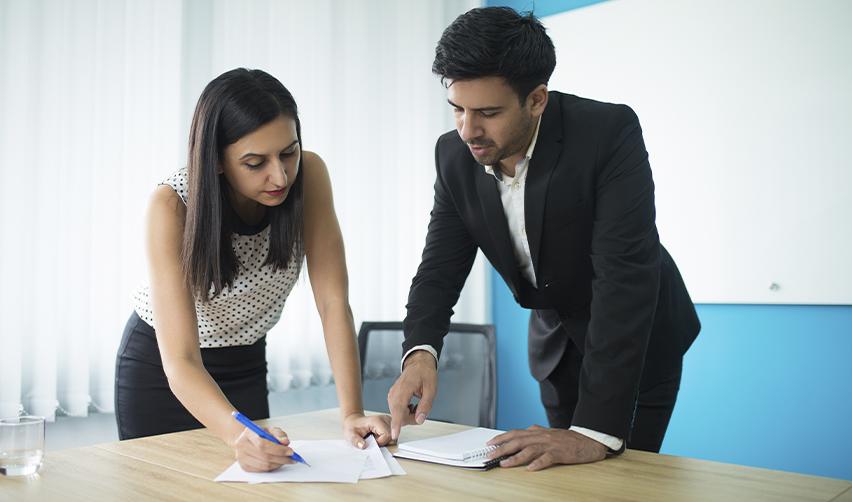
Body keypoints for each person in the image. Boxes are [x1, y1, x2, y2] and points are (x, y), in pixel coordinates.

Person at [388, 7, 700, 470]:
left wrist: (593, 432)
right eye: (458, 108)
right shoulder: (453, 154)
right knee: (559, 477)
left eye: (488, 113)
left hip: (636, 335)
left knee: (624, 475)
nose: (468, 130)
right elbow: (439, 267)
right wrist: (420, 353)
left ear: (536, 100)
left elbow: (624, 276)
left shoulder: (607, 133)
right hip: (556, 339)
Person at [114, 68, 390, 472]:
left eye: (288, 153)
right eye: (255, 162)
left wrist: (351, 413)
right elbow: (181, 360)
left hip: (245, 362)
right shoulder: (172, 206)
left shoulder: (309, 176)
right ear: (218, 161)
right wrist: (237, 434)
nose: (279, 176)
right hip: (164, 374)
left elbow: (333, 302)